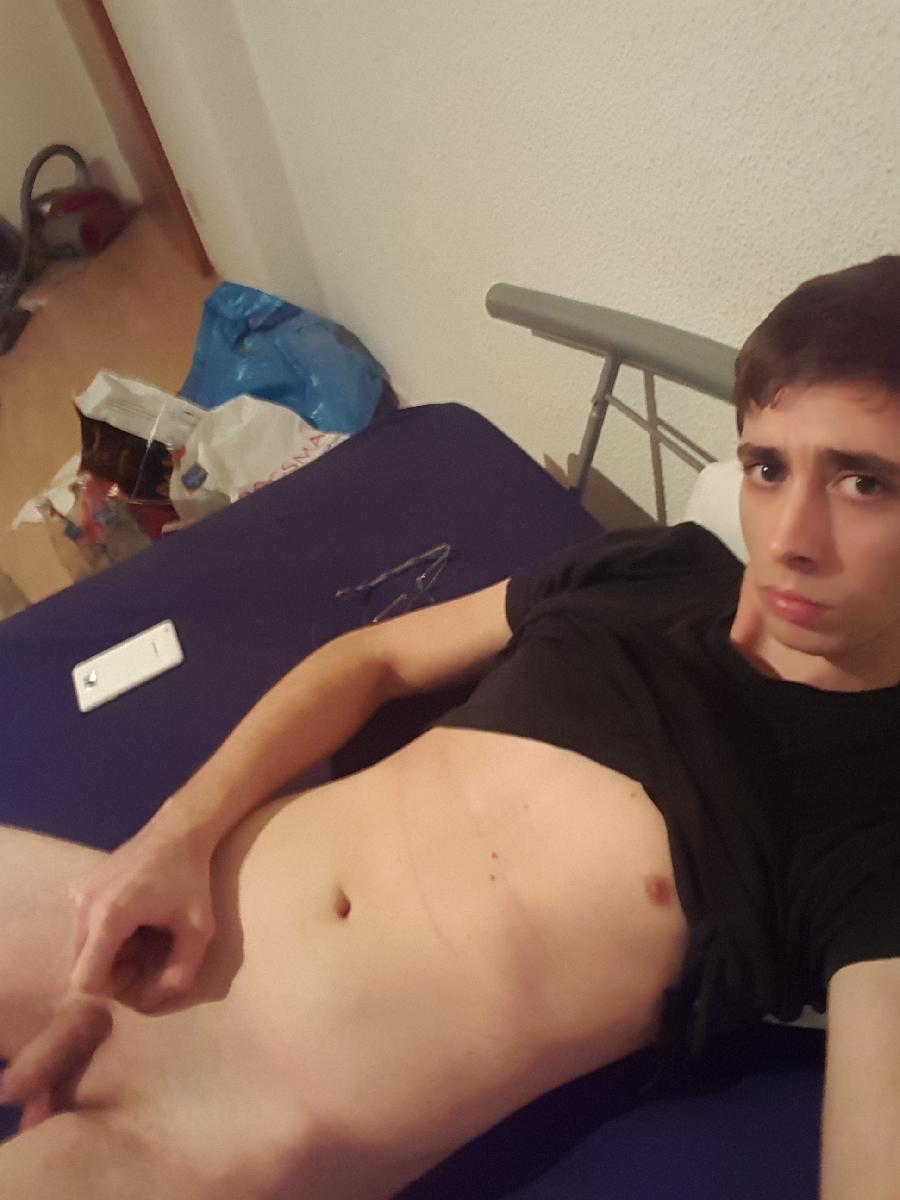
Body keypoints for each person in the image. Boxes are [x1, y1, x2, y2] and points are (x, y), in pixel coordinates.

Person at [2, 256, 900, 1199]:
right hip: (145, 913)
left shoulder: (873, 817)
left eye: (865, 484)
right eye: (767, 467)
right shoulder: (658, 567)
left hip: (217, 1127)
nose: (789, 539)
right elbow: (374, 659)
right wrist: (172, 838)